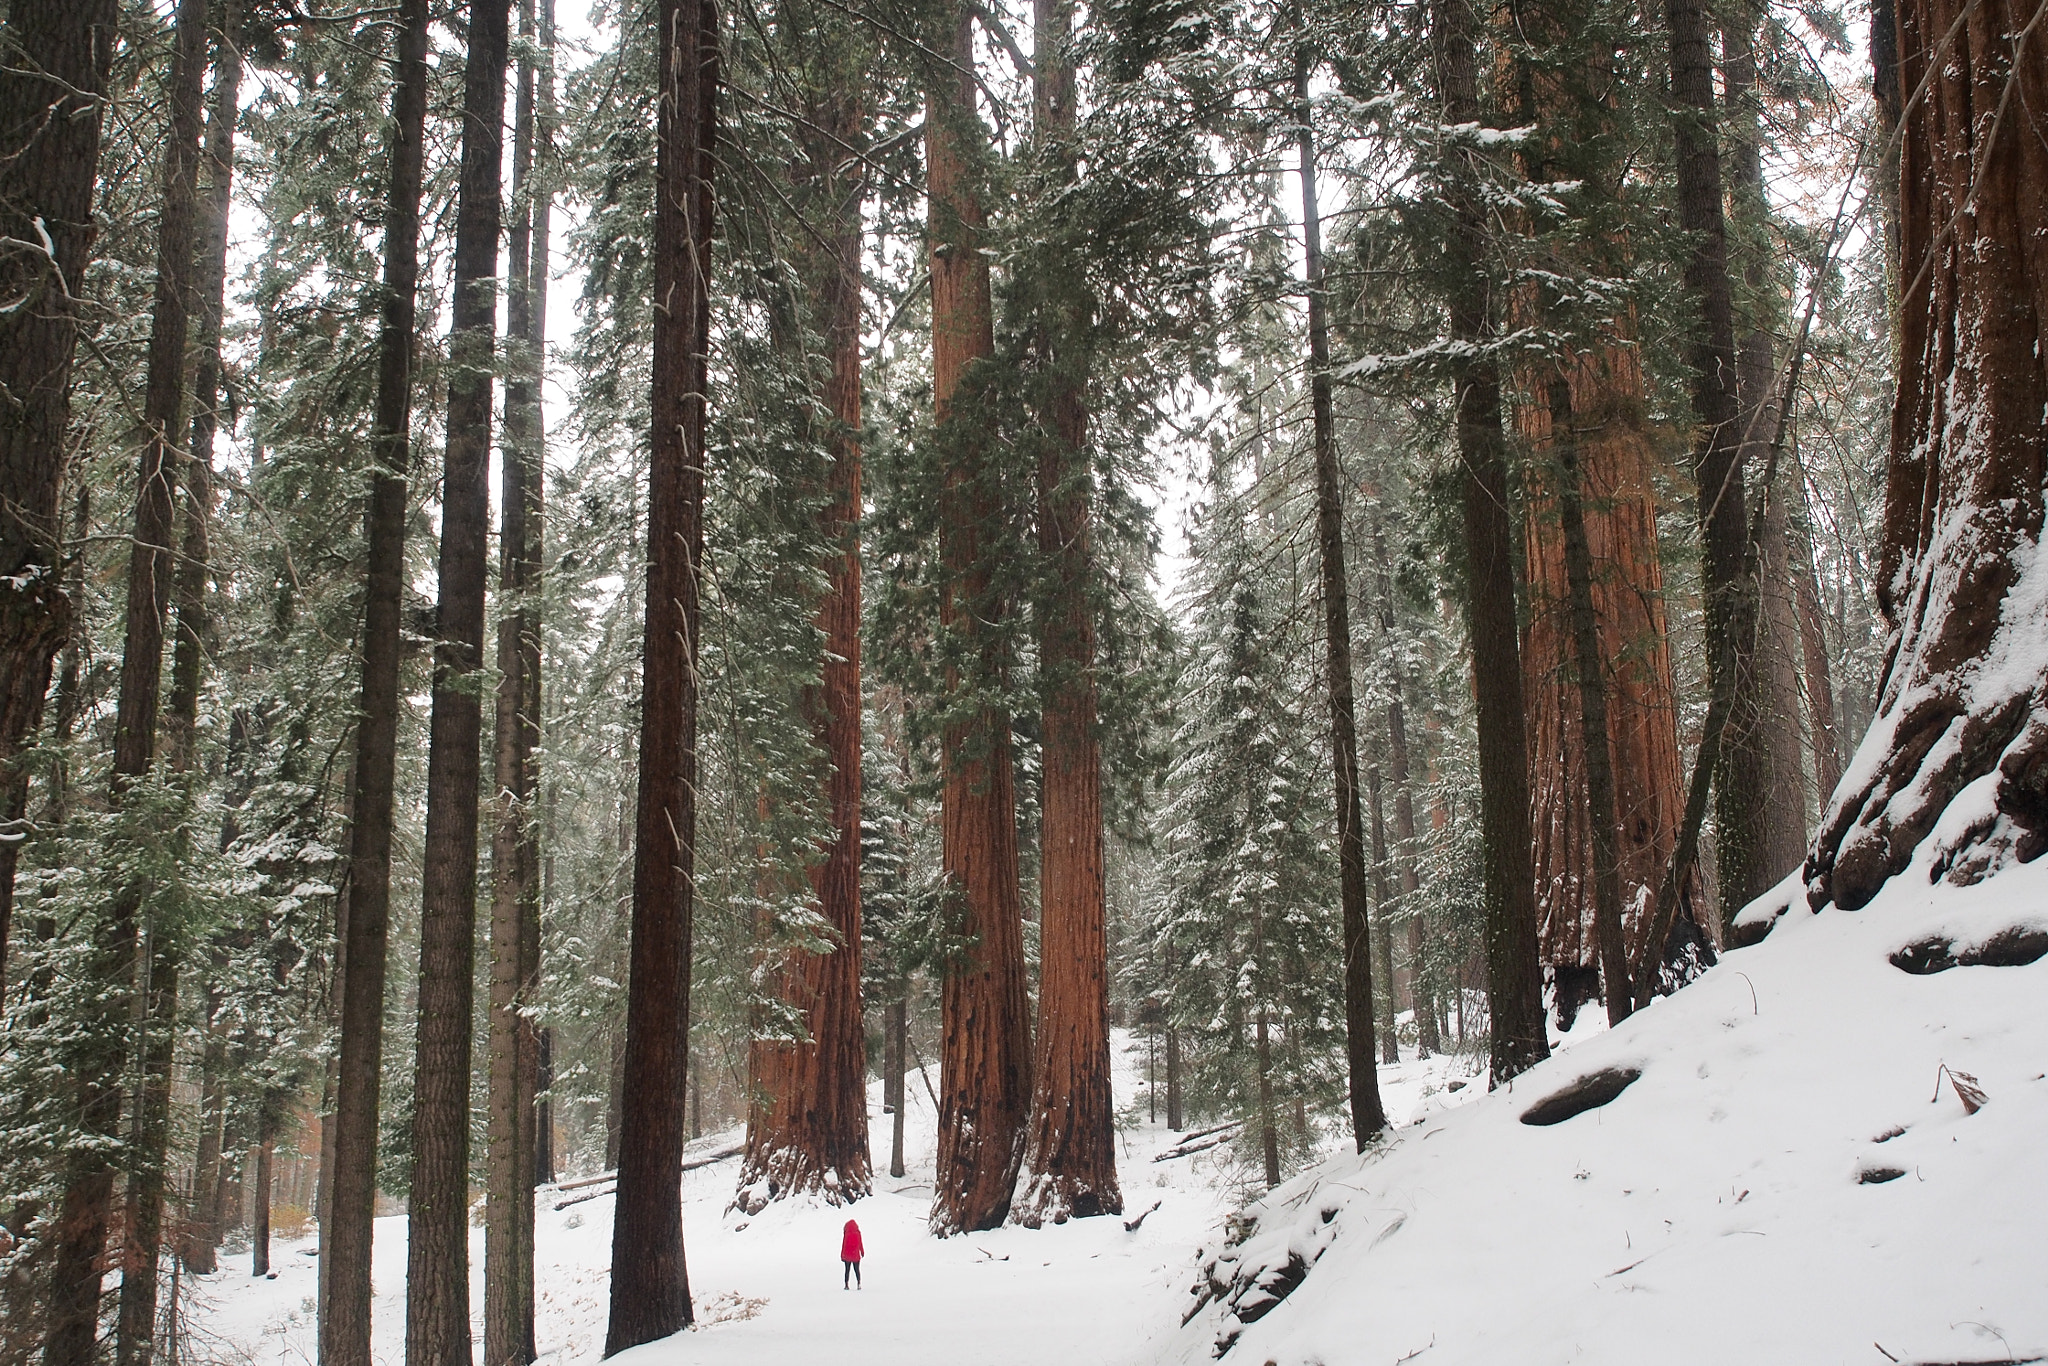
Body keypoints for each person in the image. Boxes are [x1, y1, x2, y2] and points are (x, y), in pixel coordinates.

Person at [841, 1217, 863, 1289]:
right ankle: (858, 1283)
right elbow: (860, 1243)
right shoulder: (858, 1233)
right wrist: (862, 1251)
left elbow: (844, 1244)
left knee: (847, 1270)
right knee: (857, 1270)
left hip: (847, 1255)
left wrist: (842, 1254)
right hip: (856, 1255)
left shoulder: (847, 1234)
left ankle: (846, 1284)